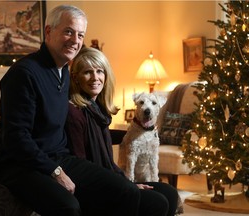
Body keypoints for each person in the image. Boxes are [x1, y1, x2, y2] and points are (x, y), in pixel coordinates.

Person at [0, 5, 141, 216]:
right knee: (68, 206)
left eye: (80, 35)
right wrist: (56, 172)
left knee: (126, 191)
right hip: (19, 165)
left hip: (58, 158)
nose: (75, 40)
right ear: (49, 31)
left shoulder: (64, 73)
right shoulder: (24, 74)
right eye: (68, 31)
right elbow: (16, 139)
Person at [65, 47, 179, 216]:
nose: (95, 77)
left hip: (111, 176)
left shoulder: (97, 109)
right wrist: (126, 184)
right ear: (76, 77)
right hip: (95, 186)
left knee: (169, 192)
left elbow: (103, 139)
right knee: (158, 202)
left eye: (99, 71)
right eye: (87, 72)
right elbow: (80, 163)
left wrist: (134, 134)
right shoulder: (75, 113)